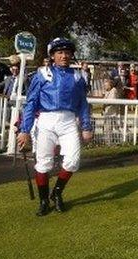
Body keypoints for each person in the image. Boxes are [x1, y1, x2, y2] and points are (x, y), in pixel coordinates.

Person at [16, 38, 93, 216]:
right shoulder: (42, 74)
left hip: (68, 122)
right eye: (59, 52)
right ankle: (43, 200)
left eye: (67, 52)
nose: (64, 56)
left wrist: (86, 126)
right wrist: (24, 130)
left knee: (73, 161)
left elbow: (83, 104)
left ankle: (56, 193)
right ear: (52, 55)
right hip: (46, 121)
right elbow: (31, 103)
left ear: (71, 55)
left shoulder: (78, 76)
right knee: (44, 163)